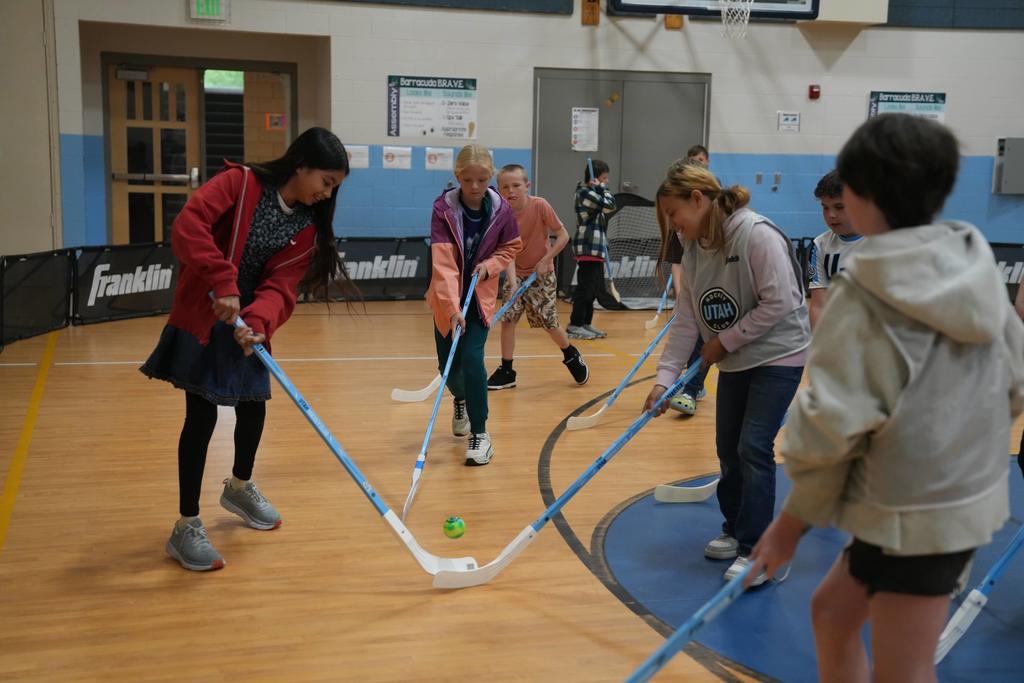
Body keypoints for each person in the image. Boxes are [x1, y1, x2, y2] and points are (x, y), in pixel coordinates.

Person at [748, 114, 1024, 682]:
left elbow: (829, 428)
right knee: (831, 613)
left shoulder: (866, 294)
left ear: (861, 194)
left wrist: (788, 527)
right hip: (937, 498)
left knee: (903, 669)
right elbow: (1014, 382)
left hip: (921, 514)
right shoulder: (974, 267)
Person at [140, 127, 352, 571]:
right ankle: (186, 526)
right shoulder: (240, 183)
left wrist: (258, 323)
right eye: (326, 182)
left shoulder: (305, 227)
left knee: (254, 406)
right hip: (205, 313)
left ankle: (238, 486)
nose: (326, 194)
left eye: (333, 187)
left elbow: (281, 285)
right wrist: (222, 281)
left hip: (245, 320)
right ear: (301, 166)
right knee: (201, 416)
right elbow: (188, 226)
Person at [644, 161, 810, 586]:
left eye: (675, 215)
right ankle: (736, 530)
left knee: (753, 445)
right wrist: (664, 380)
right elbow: (685, 320)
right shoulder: (696, 249)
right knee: (727, 448)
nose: (675, 227)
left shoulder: (755, 234)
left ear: (698, 199)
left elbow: (783, 301)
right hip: (737, 358)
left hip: (779, 354)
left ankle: (761, 550)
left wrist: (724, 341)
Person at [428, 145, 521, 466]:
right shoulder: (442, 209)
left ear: (490, 177)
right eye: (468, 180)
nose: (475, 187)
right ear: (458, 177)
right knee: (448, 369)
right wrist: (452, 307)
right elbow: (443, 265)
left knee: (472, 359)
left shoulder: (501, 210)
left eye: (482, 179)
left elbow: (511, 246)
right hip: (445, 299)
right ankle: (461, 398)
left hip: (479, 299)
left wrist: (492, 265)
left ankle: (480, 432)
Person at [486, 164, 588, 390]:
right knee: (508, 320)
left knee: (549, 323)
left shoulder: (540, 206)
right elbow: (507, 250)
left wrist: (546, 259)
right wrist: (511, 282)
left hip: (542, 274)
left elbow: (562, 235)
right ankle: (507, 370)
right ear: (499, 189)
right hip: (517, 274)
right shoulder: (501, 214)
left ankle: (570, 353)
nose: (510, 191)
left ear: (527, 186)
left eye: (516, 185)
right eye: (505, 187)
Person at [669, 149, 714, 416]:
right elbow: (680, 262)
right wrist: (681, 295)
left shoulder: (741, 230)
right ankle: (691, 386)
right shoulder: (681, 228)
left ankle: (690, 387)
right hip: (698, 291)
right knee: (693, 338)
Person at [807, 169, 864, 330]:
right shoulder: (819, 245)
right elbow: (818, 305)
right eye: (825, 207)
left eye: (839, 207)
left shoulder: (884, 240)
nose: (831, 215)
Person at [569, 159, 616, 339]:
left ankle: (586, 323)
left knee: (594, 289)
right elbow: (610, 204)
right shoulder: (584, 193)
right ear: (595, 178)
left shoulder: (594, 192)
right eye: (605, 178)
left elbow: (608, 205)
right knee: (585, 289)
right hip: (587, 247)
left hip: (597, 250)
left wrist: (601, 188)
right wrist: (602, 189)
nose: (607, 182)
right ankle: (574, 324)